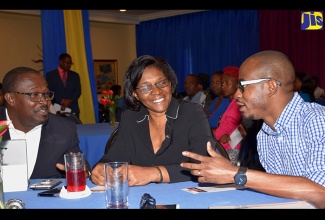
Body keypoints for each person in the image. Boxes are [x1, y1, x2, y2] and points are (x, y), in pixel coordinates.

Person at [180, 50, 325, 209]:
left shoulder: (316, 120)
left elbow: (320, 193)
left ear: (270, 86)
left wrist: (235, 174)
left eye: (242, 86)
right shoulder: (264, 134)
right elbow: (282, 191)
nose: (236, 95)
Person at [90, 55, 217, 186]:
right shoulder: (130, 118)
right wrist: (102, 167)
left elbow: (202, 165)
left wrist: (152, 173)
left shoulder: (192, 113)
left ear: (170, 83)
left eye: (162, 83)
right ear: (135, 94)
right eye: (145, 87)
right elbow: (115, 155)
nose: (157, 91)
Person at [0, 66, 90, 179]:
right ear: (11, 98)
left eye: (46, 94)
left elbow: (80, 167)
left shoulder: (64, 129)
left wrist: (82, 172)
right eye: (35, 95)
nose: (44, 101)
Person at [214, 66, 243, 165]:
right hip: (224, 148)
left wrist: (210, 132)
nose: (223, 87)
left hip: (233, 151)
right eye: (222, 83)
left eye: (227, 83)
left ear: (237, 85)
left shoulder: (238, 104)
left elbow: (222, 131)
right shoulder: (231, 103)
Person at [45, 53, 81, 118]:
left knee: (75, 127)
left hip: (73, 108)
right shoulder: (50, 75)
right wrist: (62, 101)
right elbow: (50, 91)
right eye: (67, 63)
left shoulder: (75, 75)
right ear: (61, 62)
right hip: (57, 109)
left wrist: (70, 101)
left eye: (70, 63)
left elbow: (78, 91)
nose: (69, 65)